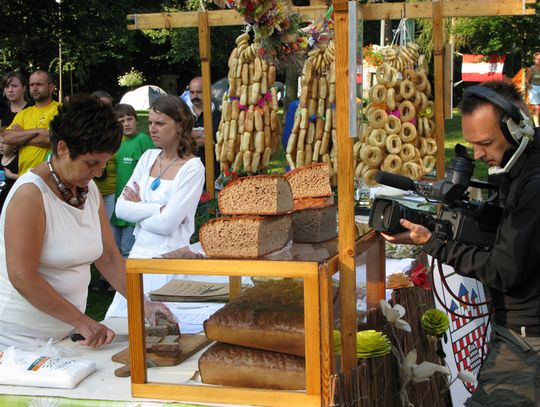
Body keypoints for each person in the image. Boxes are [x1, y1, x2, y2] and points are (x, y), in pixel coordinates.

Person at [382, 81, 539, 406]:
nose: (479, 154)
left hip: (527, 341)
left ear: (518, 128)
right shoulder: (518, 167)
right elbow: (502, 231)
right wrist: (434, 230)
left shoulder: (533, 184)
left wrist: (434, 245)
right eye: (473, 144)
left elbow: (505, 269)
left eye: (486, 143)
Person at [105, 95, 205, 319]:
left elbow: (168, 225)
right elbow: (120, 209)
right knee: (123, 323)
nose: (152, 129)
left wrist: (139, 207)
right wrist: (155, 209)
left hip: (170, 258)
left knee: (165, 327)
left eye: (160, 123)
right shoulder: (148, 157)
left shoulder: (192, 168)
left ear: (180, 126)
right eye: (150, 123)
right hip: (138, 256)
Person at [110, 103, 155, 257]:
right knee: (115, 246)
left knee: (128, 249)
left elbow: (153, 168)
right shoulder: (118, 143)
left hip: (134, 201)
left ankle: (131, 280)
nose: (126, 124)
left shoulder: (143, 139)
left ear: (136, 120)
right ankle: (117, 280)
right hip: (119, 201)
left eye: (129, 119)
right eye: (121, 121)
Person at [3, 70, 59, 175]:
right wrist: (38, 132)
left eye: (39, 84)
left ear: (51, 88)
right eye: (32, 84)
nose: (34, 88)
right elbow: (7, 137)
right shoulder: (23, 113)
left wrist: (20, 137)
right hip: (24, 176)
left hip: (51, 177)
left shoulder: (60, 110)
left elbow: (52, 138)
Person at [187, 76, 221, 183]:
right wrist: (202, 133)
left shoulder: (219, 116)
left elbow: (211, 142)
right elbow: (174, 138)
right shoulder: (183, 115)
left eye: (199, 92)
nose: (195, 96)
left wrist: (186, 136)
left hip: (212, 176)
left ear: (208, 92)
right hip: (188, 175)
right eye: (192, 92)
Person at [91, 90, 117, 220]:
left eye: (108, 107)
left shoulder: (116, 130)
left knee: (108, 227)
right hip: (88, 190)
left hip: (110, 192)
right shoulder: (85, 130)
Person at [0, 135, 18, 212]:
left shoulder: (18, 161)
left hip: (8, 201)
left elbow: (25, 178)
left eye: (4, 143)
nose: (1, 146)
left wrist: (12, 176)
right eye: (0, 142)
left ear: (14, 145)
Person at [526, 51, 540, 126]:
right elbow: (527, 81)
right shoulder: (531, 69)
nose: (539, 60)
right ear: (534, 60)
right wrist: (531, 89)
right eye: (537, 59)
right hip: (534, 88)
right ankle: (537, 126)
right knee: (537, 108)